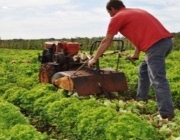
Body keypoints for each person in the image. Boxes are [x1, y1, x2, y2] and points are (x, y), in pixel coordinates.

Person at [88, 0, 174, 120]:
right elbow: (140, 36)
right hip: (166, 42)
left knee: (158, 79)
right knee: (143, 70)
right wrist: (135, 54)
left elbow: (107, 40)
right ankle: (141, 101)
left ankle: (166, 114)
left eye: (109, 13)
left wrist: (94, 58)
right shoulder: (137, 12)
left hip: (155, 46)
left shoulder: (117, 17)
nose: (110, 16)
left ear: (113, 9)